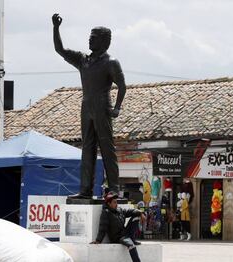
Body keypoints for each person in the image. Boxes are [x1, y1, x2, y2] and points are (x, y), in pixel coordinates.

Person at [52, 14, 126, 198]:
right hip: (86, 107)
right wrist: (56, 28)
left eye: (93, 38)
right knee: (87, 149)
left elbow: (122, 86)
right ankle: (85, 190)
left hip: (102, 106)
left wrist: (117, 108)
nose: (89, 40)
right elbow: (60, 49)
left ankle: (114, 188)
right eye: (89, 37)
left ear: (103, 41)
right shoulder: (82, 59)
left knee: (107, 147)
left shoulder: (111, 62)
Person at [91, 192, 146, 262]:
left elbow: (130, 211)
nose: (116, 204)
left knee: (136, 216)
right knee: (131, 245)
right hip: (118, 237)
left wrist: (140, 213)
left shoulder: (119, 210)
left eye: (116, 202)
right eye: (114, 202)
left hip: (125, 233)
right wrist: (98, 240)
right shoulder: (106, 213)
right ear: (109, 203)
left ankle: (132, 238)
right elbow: (103, 227)